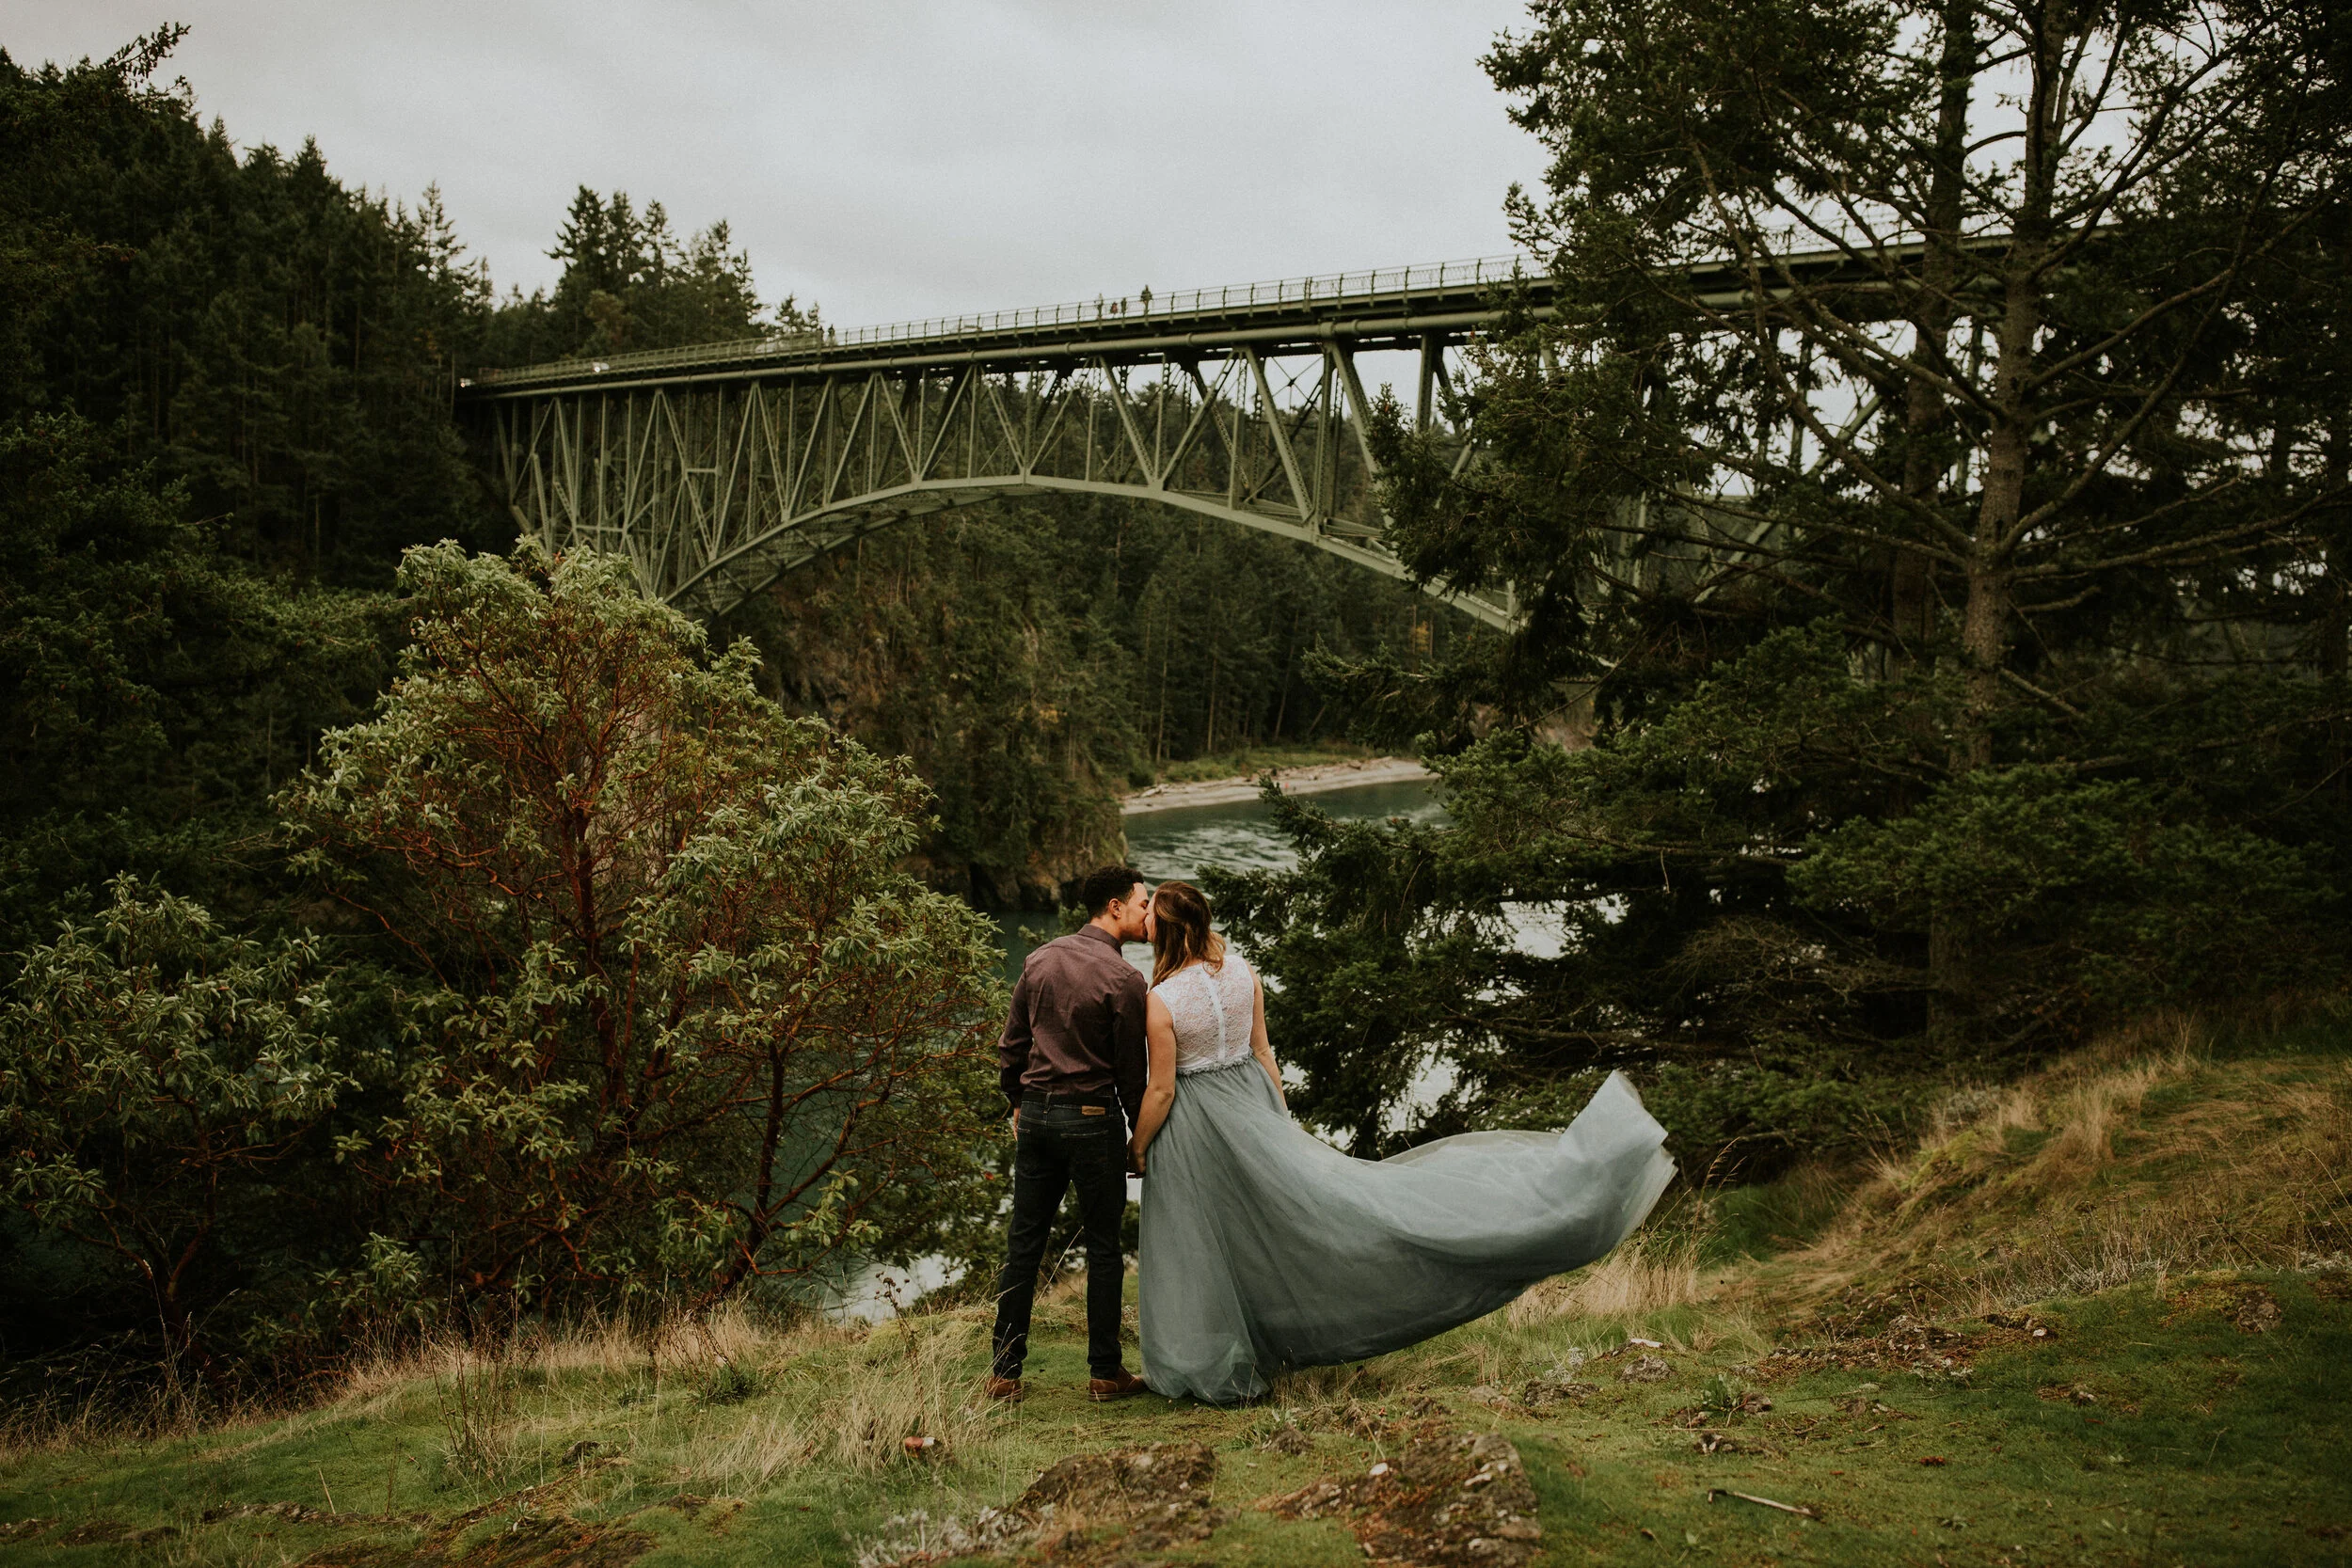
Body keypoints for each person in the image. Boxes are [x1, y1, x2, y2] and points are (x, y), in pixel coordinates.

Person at [1127, 880, 1677, 1405]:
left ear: (1167, 932)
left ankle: (1207, 1359)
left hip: (1197, 1129)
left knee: (1201, 1241)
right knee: (1271, 1231)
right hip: (1255, 1111)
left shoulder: (1163, 1000)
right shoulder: (1244, 972)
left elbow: (1162, 1088)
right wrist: (1282, 1125)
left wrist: (1138, 1145)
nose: (1144, 919)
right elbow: (1265, 1055)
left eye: (1151, 914)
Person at [987, 864, 1154, 1403]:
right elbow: (1132, 1073)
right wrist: (1138, 1139)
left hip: (1035, 1117)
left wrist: (1017, 1100)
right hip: (1091, 1120)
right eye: (1142, 903)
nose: (1147, 913)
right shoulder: (1126, 981)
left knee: (1023, 1246)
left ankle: (1004, 1373)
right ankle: (1105, 1373)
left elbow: (1011, 1046)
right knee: (1103, 1249)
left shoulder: (1039, 959)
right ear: (1114, 907)